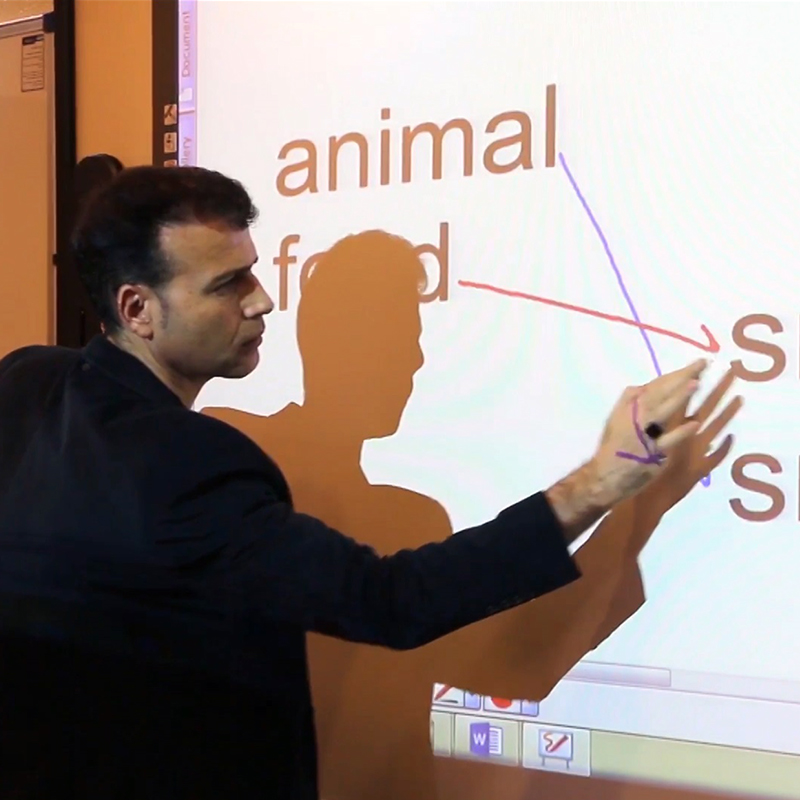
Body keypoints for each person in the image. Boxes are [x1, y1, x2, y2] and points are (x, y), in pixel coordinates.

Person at [0, 166, 736, 800]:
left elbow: (520, 664)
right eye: (227, 285)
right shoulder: (196, 463)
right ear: (138, 309)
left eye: (253, 271)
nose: (260, 301)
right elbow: (390, 601)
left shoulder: (30, 383)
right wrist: (600, 483)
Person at [204, 230, 742, 800]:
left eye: (413, 339)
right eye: (397, 337)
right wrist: (617, 495)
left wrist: (641, 505)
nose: (415, 360)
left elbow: (513, 663)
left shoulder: (410, 518)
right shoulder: (233, 455)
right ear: (324, 342)